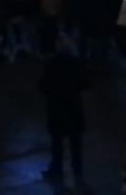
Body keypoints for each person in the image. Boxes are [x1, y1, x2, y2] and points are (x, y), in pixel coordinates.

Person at [38, 38, 89, 183]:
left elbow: (42, 87)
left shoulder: (50, 64)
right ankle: (77, 170)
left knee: (56, 143)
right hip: (73, 108)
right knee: (76, 144)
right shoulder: (77, 64)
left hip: (56, 109)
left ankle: (57, 169)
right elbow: (86, 84)